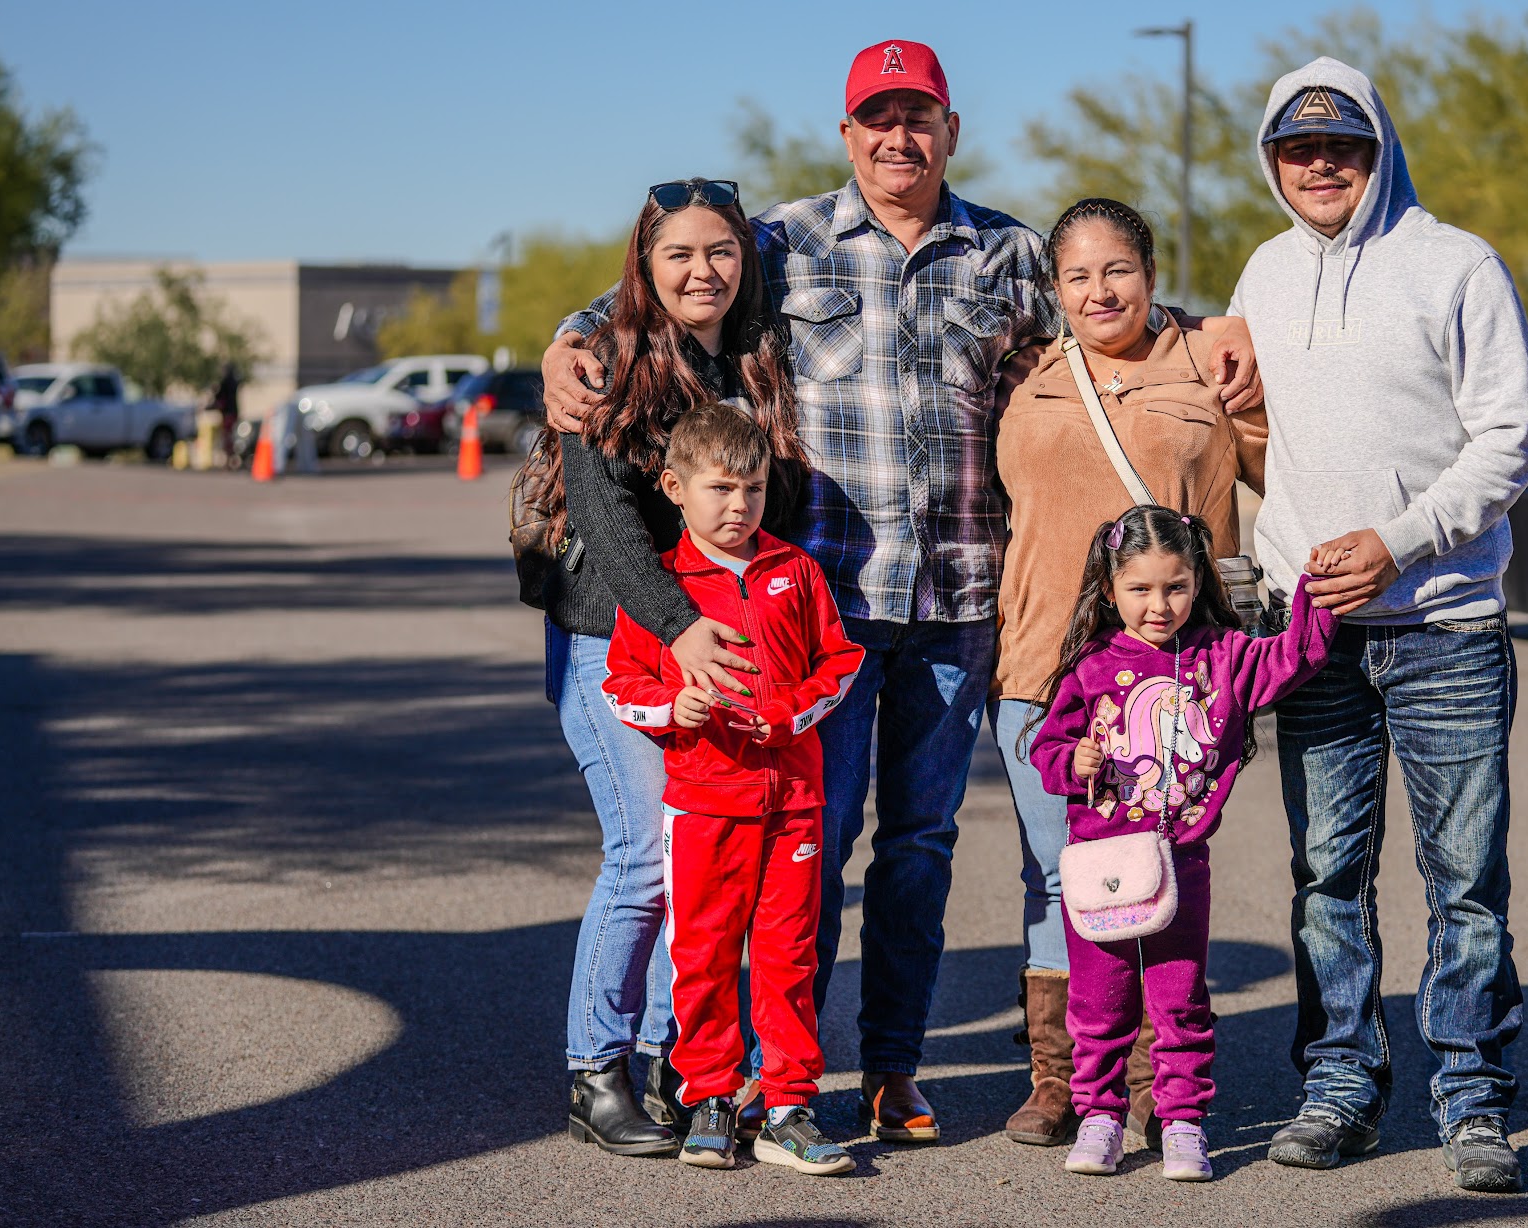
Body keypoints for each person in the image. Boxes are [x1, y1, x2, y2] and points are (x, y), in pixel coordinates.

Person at [544, 39, 1262, 1142]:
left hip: (958, 605)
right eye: (876, 119)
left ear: (949, 130)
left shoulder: (1011, 254)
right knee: (806, 847)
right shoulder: (785, 241)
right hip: (819, 607)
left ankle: (890, 1066)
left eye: (917, 116)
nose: (897, 137)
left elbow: (1116, 317)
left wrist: (1217, 331)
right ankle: (768, 1075)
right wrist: (568, 337)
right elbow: (663, 284)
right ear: (847, 135)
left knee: (920, 847)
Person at [1229, 60, 1528, 1192]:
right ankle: (1341, 1083)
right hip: (1311, 635)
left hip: (1444, 625)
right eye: (1296, 148)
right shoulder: (1262, 273)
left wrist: (1400, 539)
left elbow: (1512, 436)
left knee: (1464, 877)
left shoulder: (1455, 264)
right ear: (1271, 163)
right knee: (1327, 873)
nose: (1320, 164)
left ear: (1378, 149)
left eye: (1342, 145)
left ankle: (1469, 1092)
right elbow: (1261, 433)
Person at [529, 178, 808, 1157]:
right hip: (612, 636)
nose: (702, 270)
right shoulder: (600, 356)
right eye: (679, 254)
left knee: (696, 858)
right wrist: (682, 622)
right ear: (644, 262)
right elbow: (604, 522)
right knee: (647, 852)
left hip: (705, 637)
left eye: (721, 252)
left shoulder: (753, 351)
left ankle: (671, 1058)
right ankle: (592, 1068)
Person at [990, 198, 1267, 1150]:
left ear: (1150, 276)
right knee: (1063, 873)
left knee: (1167, 868)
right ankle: (1063, 1077)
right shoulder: (1026, 375)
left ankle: (1158, 1083)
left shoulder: (1208, 361)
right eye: (1077, 276)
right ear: (1054, 289)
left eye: (1118, 270)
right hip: (1042, 665)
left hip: (1177, 675)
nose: (1099, 291)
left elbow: (1289, 470)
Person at [1026, 506, 1338, 1181]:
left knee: (1180, 1001)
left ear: (1198, 580)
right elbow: (1046, 750)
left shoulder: (1222, 656)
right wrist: (1071, 762)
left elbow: (1296, 656)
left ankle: (1183, 1122)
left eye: (1175, 586)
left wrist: (1314, 588)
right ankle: (1101, 1115)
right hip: (1102, 867)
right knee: (1099, 1004)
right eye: (1139, 589)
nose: (1159, 605)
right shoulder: (1090, 663)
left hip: (1179, 866)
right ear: (1108, 589)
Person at [603, 403, 864, 1174]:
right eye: (719, 489)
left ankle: (787, 1106)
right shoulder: (664, 589)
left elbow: (840, 663)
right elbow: (623, 684)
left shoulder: (795, 570)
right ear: (675, 488)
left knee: (788, 957)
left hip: (795, 806)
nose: (738, 506)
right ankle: (709, 1096)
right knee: (705, 955)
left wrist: (787, 714)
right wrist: (670, 707)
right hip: (704, 803)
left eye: (751, 489)